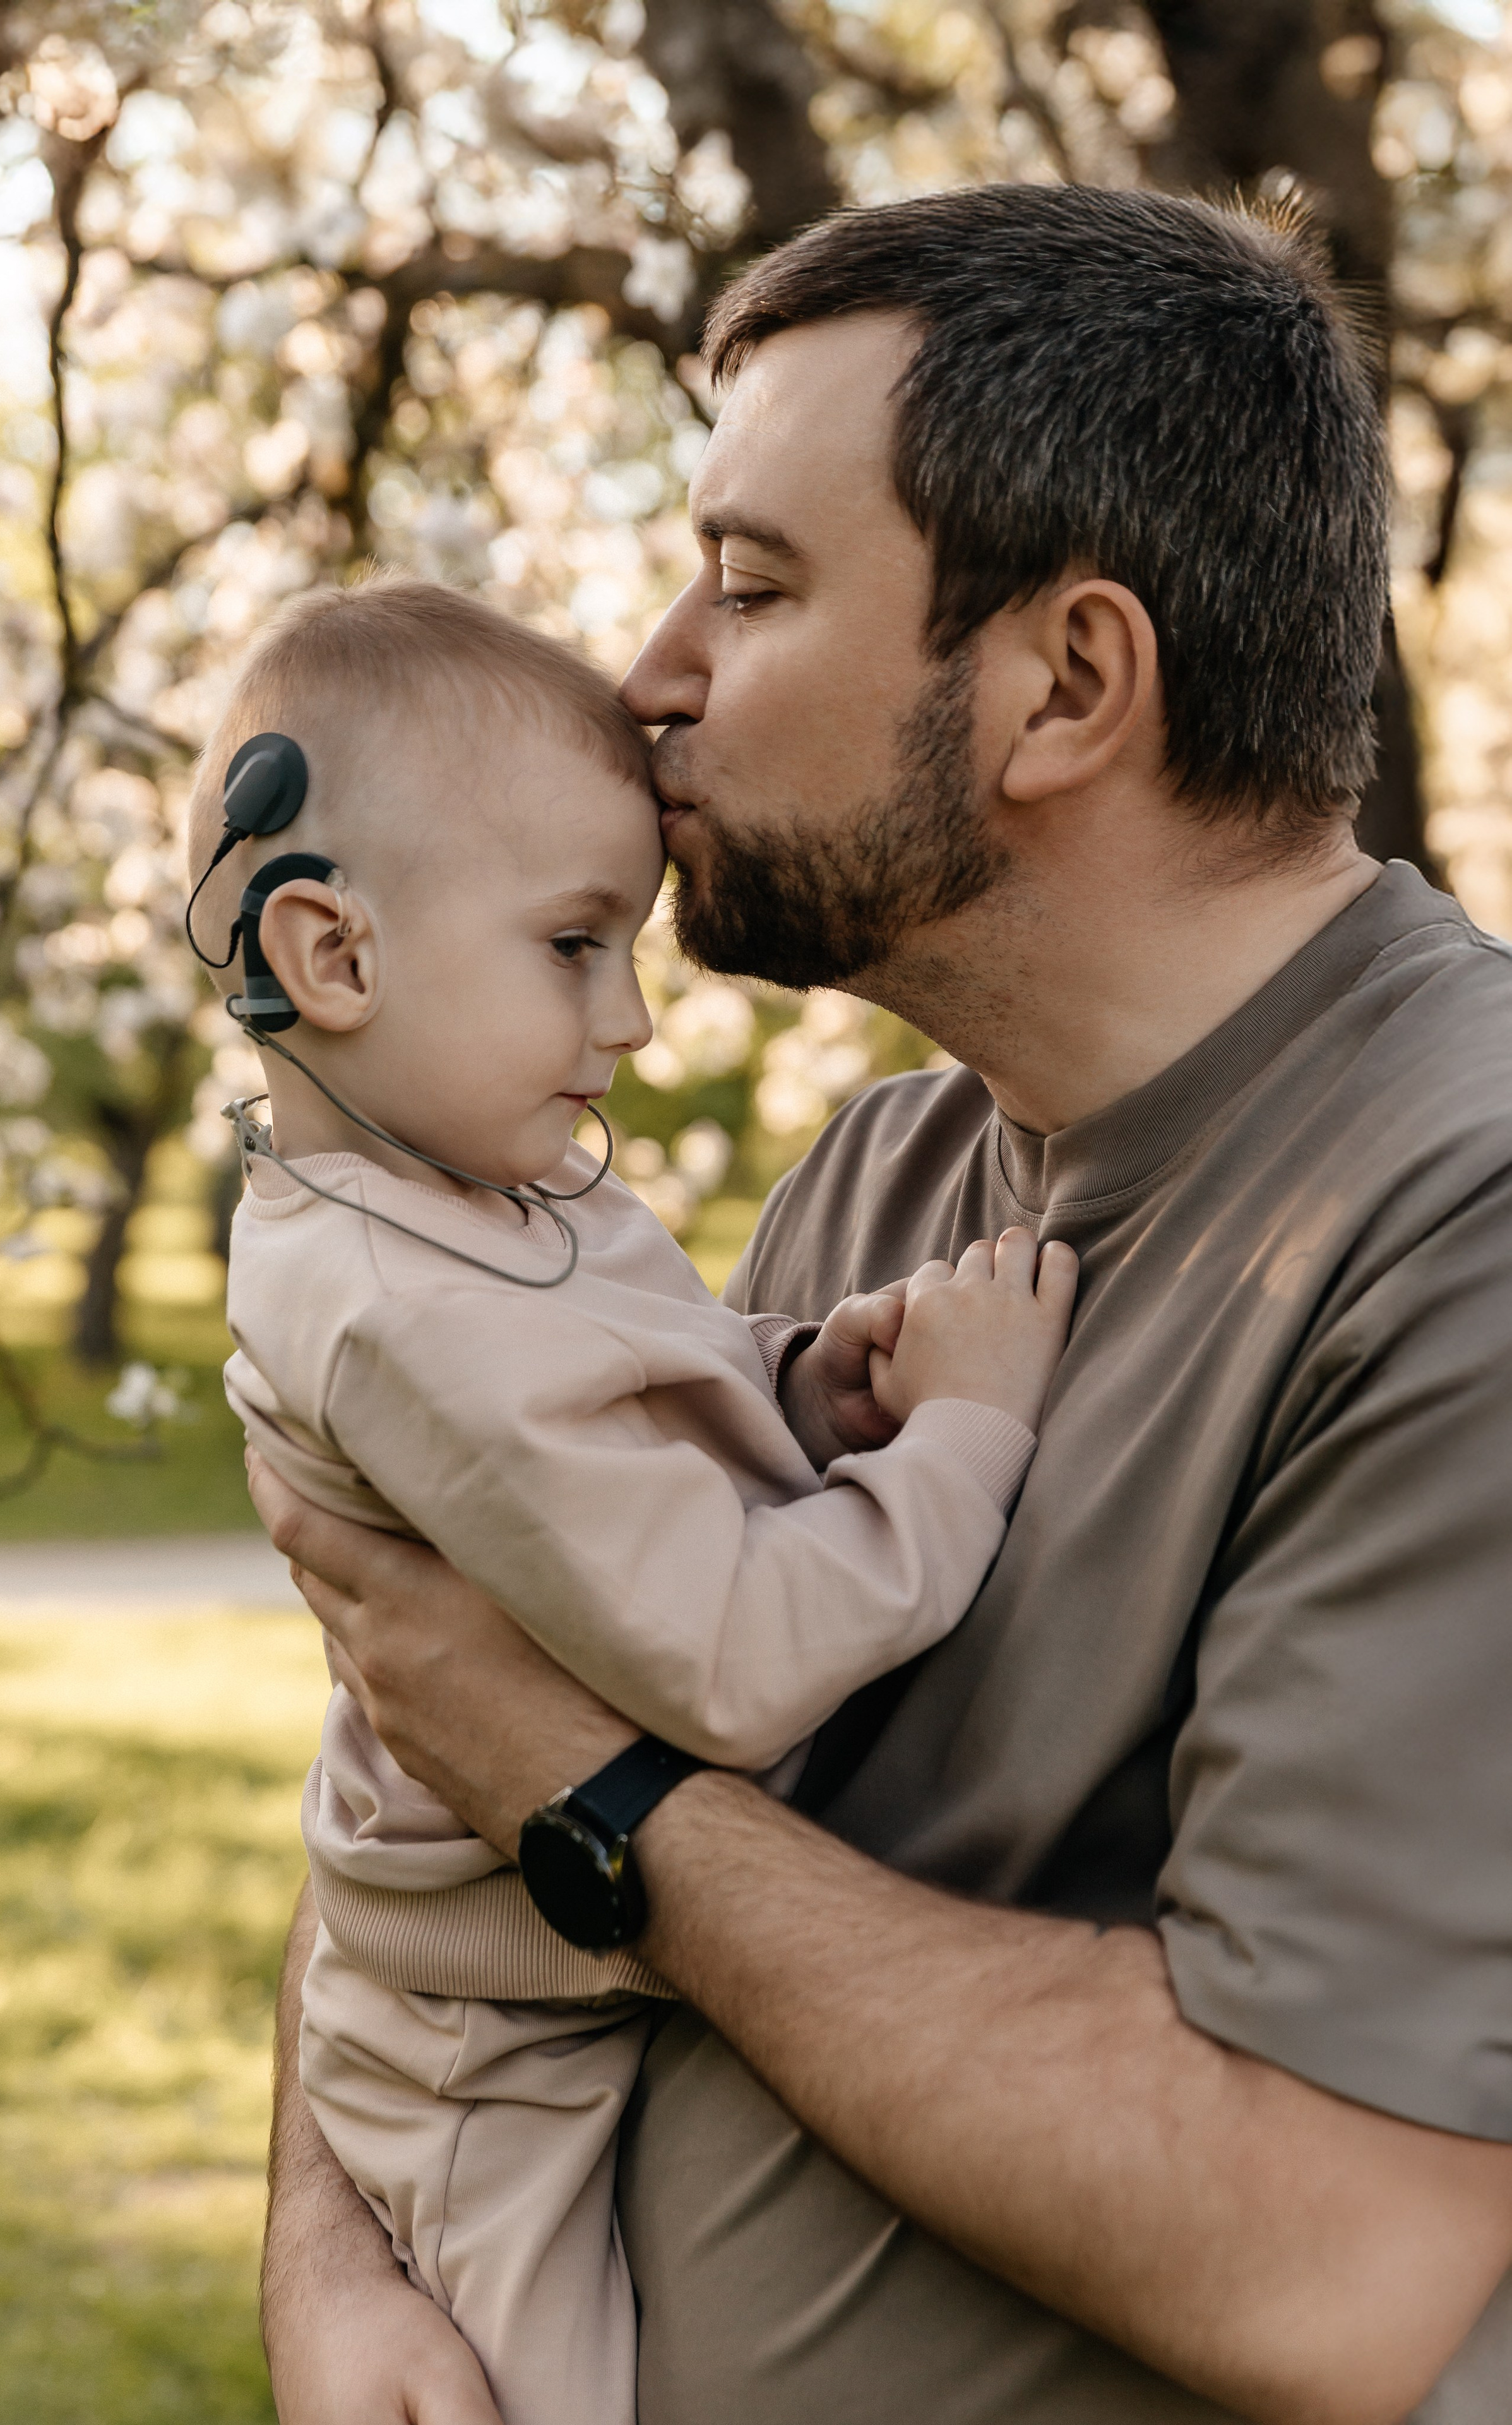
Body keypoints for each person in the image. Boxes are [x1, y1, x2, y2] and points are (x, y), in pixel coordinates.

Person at [253, 186, 1512, 2424]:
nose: (650, 673)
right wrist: (338, 2262)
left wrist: (597, 1796)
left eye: (750, 586)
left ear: (1067, 685)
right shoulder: (884, 1172)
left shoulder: (1462, 1218)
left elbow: (1329, 2257)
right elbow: (422, 1760)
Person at [196, 575, 1076, 2425]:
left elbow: (630, 1404)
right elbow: (727, 1662)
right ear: (334, 955)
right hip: (481, 2058)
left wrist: (798, 1382)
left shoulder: (477, 1201)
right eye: (575, 946)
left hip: (555, 1984)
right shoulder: (396, 1308)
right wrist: (961, 1442)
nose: (635, 1023)